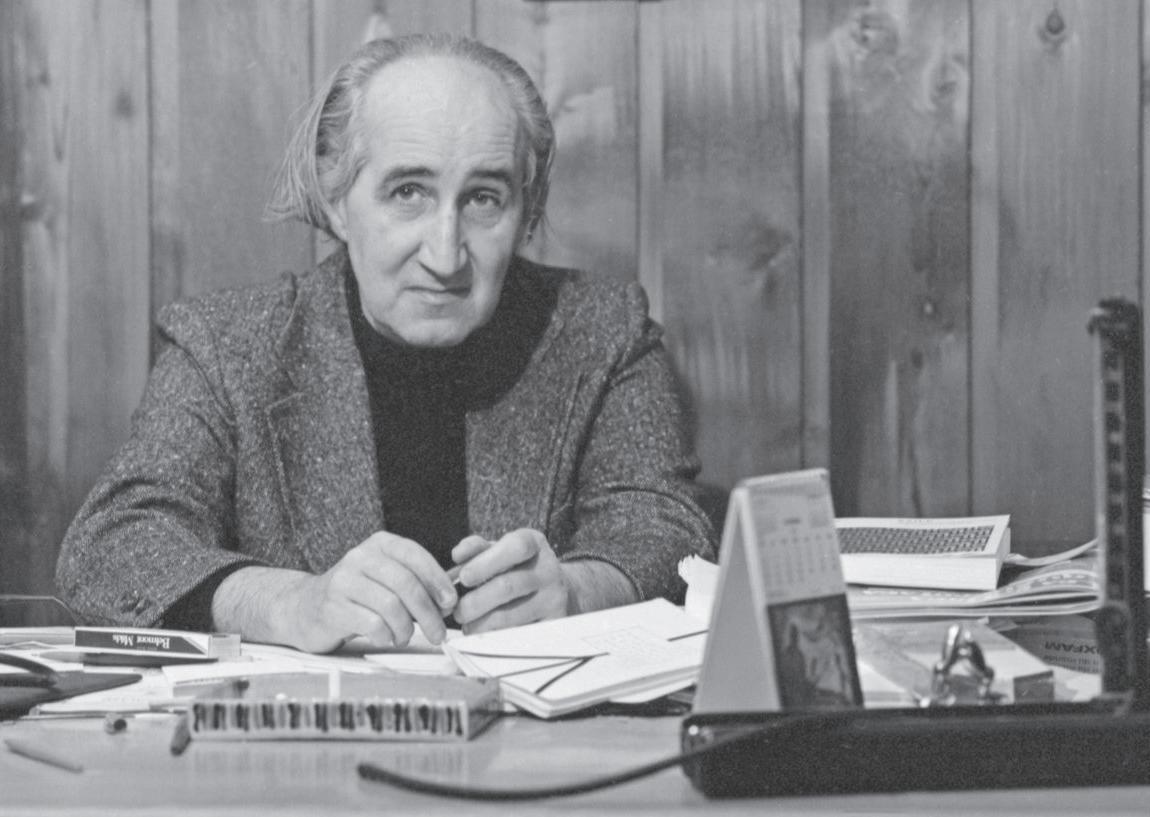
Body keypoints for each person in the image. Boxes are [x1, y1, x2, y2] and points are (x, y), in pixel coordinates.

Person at [55, 33, 715, 654]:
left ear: (528, 211)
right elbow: (109, 549)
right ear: (337, 199)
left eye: (484, 199)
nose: (445, 254)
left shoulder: (604, 330)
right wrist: (289, 603)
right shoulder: (226, 346)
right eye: (408, 193)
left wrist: (576, 591)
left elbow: (667, 533)